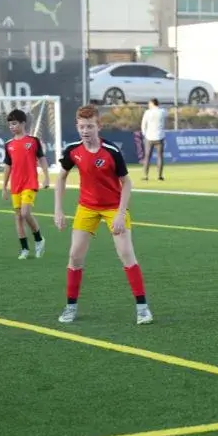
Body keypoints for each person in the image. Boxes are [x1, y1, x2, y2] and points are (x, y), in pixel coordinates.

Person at [54, 104, 153, 326]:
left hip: (112, 207)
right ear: (77, 127)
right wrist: (58, 209)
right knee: (75, 256)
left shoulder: (111, 151)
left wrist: (120, 214)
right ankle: (70, 307)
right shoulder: (72, 150)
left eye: (89, 126)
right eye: (81, 127)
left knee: (126, 253)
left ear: (99, 126)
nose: (85, 131)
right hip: (87, 207)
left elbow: (127, 182)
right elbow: (60, 178)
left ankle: (143, 308)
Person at [2, 109, 49, 259]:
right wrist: (4, 186)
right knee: (18, 218)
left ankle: (39, 239)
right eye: (10, 124)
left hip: (30, 183)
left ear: (23, 123)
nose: (12, 127)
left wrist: (46, 177)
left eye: (14, 123)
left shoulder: (33, 141)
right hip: (16, 185)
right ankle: (24, 249)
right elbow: (8, 166)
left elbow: (42, 159)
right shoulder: (8, 145)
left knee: (25, 213)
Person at [141, 98, 166, 181]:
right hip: (160, 136)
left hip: (149, 137)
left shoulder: (148, 112)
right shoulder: (162, 111)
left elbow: (143, 124)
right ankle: (159, 176)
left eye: (149, 103)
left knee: (147, 156)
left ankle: (145, 175)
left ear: (152, 103)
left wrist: (144, 134)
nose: (148, 105)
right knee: (160, 156)